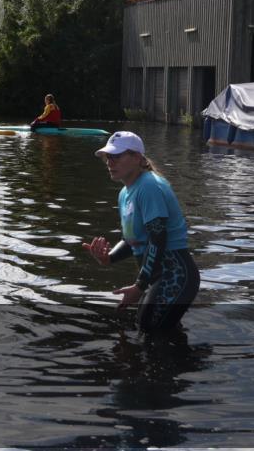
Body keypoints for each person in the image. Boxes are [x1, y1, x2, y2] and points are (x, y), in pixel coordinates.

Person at [83, 131, 200, 335]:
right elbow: (132, 241)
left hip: (176, 274)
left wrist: (139, 286)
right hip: (156, 275)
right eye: (108, 157)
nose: (110, 162)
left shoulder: (149, 186)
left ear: (137, 157)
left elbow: (158, 239)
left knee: (151, 333)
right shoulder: (125, 193)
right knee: (152, 332)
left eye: (117, 156)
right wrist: (107, 259)